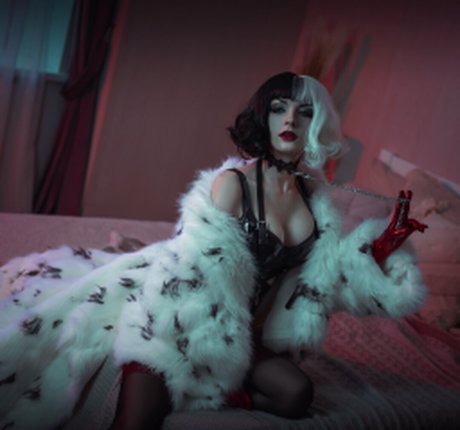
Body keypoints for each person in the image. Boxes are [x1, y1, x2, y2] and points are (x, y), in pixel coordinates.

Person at [0, 72, 427, 430]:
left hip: (246, 333)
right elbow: (185, 280)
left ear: (318, 125)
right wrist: (190, 353)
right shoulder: (232, 186)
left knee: (296, 394)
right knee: (138, 420)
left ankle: (225, 393)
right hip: (176, 313)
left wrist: (381, 249)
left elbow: (324, 285)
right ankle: (206, 383)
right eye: (278, 108)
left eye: (304, 111)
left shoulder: (318, 204)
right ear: (263, 116)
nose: (289, 119)